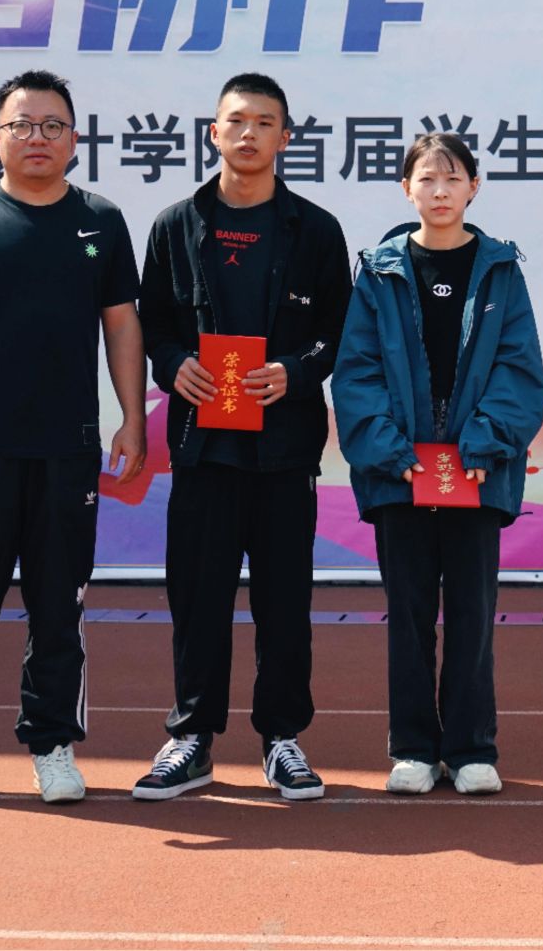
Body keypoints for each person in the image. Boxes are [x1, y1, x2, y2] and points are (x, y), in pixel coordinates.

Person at [0, 69, 146, 808]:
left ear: (75, 139)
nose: (37, 137)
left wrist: (132, 417)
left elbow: (122, 326)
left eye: (52, 125)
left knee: (58, 605)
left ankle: (52, 743)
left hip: (67, 448)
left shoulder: (101, 221)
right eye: (22, 125)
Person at [130, 73, 351, 803]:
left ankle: (282, 738)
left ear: (286, 137)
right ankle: (191, 737)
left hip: (284, 450)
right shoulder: (175, 225)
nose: (248, 133)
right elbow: (152, 323)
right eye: (236, 120)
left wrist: (297, 369)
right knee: (198, 599)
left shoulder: (315, 229)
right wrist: (173, 364)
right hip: (202, 448)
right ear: (213, 132)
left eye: (264, 122)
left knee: (285, 602)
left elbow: (340, 329)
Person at [332, 133, 543, 795]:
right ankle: (414, 749)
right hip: (399, 475)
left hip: (476, 473)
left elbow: (519, 368)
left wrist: (484, 444)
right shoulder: (379, 272)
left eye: (453, 179)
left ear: (474, 187)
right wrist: (393, 453)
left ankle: (472, 747)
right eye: (426, 179)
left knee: (474, 615)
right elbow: (356, 370)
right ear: (407, 190)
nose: (440, 191)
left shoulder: (500, 269)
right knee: (409, 615)